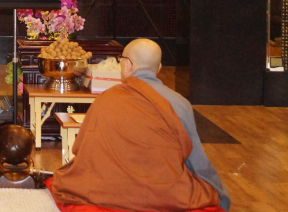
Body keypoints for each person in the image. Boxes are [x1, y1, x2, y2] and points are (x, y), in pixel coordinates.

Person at [50, 39, 230, 211]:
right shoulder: (180, 103)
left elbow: (81, 149)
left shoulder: (107, 98)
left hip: (111, 190)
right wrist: (219, 192)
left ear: (128, 64)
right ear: (159, 68)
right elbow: (196, 160)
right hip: (164, 194)